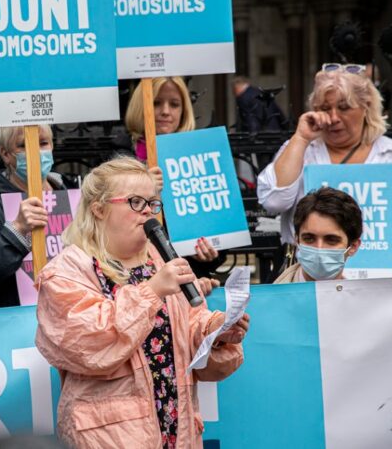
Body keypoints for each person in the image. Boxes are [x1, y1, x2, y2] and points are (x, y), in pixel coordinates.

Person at [35, 157, 248, 449]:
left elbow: (189, 330)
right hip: (111, 436)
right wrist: (152, 291)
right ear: (99, 208)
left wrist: (216, 332)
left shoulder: (160, 260)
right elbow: (86, 343)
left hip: (177, 427)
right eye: (136, 202)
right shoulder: (68, 269)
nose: (148, 212)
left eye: (153, 203)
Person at [256, 63, 392, 275]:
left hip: (383, 282)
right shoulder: (304, 150)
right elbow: (273, 201)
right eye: (324, 108)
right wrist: (301, 138)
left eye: (344, 107)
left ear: (366, 107)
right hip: (311, 280)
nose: (333, 118)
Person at [0, 125, 77, 309]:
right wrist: (16, 230)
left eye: (43, 143)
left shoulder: (73, 195)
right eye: (24, 145)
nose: (36, 152)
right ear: (6, 154)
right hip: (15, 317)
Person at [125, 76, 224, 279]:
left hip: (187, 279)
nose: (165, 111)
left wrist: (208, 253)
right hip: (135, 278)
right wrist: (140, 184)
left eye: (175, 104)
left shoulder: (197, 155)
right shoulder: (120, 154)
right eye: (156, 103)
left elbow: (214, 223)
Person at [275, 187, 362, 283]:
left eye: (331, 240)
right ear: (297, 240)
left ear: (353, 246)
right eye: (309, 239)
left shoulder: (367, 297)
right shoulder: (269, 297)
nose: (319, 248)